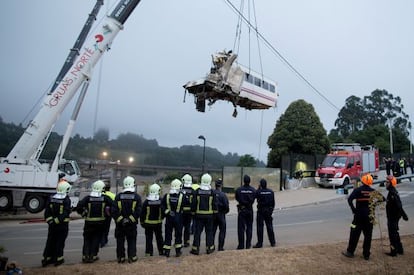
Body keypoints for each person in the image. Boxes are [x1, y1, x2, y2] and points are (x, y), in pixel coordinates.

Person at [342, 173, 378, 260]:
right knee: (368, 235)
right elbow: (382, 199)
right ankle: (366, 254)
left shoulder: (358, 190)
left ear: (362, 181)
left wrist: (353, 210)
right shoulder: (373, 191)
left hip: (358, 216)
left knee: (354, 233)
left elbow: (350, 200)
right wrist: (373, 205)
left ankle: (350, 252)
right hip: (369, 216)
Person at [76, 180, 112, 263]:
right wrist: (108, 213)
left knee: (87, 239)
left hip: (88, 222)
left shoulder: (87, 198)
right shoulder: (105, 198)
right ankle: (93, 256)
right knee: (96, 239)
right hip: (100, 223)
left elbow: (79, 207)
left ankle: (85, 256)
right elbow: (113, 206)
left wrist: (83, 213)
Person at [112, 176, 142, 263]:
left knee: (120, 241)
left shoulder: (118, 197)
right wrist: (129, 219)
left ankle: (120, 257)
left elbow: (114, 211)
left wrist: (121, 220)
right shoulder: (137, 197)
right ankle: (132, 257)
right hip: (131, 224)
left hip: (120, 224)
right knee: (131, 240)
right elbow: (138, 211)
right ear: (133, 184)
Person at [42, 180, 72, 267]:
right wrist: (57, 221)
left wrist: (51, 221)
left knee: (50, 241)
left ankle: (46, 259)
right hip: (62, 226)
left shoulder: (51, 198)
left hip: (52, 226)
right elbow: (65, 213)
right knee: (60, 242)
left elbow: (47, 212)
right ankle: (58, 259)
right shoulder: (66, 199)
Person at [190, 173, 217, 255]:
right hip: (209, 216)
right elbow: (214, 204)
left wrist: (193, 213)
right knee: (209, 232)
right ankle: (209, 248)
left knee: (197, 233)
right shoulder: (212, 192)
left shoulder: (197, 191)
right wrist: (215, 214)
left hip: (199, 216)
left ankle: (195, 249)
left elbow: (193, 203)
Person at [385, 175, 409, 256]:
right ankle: (399, 249)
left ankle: (394, 251)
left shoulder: (392, 193)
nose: (386, 183)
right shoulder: (392, 192)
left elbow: (399, 205)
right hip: (393, 216)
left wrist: (404, 215)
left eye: (387, 182)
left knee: (392, 234)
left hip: (393, 217)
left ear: (391, 183)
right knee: (395, 233)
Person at [161, 179, 184, 257]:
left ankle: (167, 251)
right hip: (179, 218)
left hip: (169, 218)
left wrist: (167, 211)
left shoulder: (166, 196)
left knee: (168, 235)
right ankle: (178, 251)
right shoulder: (182, 196)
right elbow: (187, 205)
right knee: (178, 235)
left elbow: (162, 206)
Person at [140, 183, 164, 257]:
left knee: (148, 239)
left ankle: (148, 253)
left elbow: (142, 213)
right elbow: (163, 211)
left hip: (148, 224)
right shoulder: (161, 201)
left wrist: (142, 222)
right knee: (159, 238)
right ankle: (161, 251)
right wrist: (162, 218)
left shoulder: (146, 202)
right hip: (158, 223)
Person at [235, 174, 256, 249]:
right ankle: (248, 244)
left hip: (242, 210)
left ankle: (241, 245)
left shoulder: (239, 190)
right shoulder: (253, 190)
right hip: (250, 209)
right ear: (250, 181)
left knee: (241, 228)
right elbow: (254, 198)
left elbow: (237, 198)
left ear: (243, 181)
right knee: (249, 227)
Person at [254, 178, 276, 248]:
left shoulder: (259, 192)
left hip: (261, 211)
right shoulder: (271, 192)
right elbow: (273, 203)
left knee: (260, 227)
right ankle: (272, 242)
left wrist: (258, 188)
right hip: (268, 210)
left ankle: (260, 243)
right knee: (269, 226)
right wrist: (271, 211)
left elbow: (254, 195)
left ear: (260, 185)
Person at [213, 178, 229, 251]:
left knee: (212, 231)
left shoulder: (211, 193)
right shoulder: (223, 195)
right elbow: (226, 206)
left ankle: (211, 246)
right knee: (222, 231)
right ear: (221, 185)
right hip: (221, 214)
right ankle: (220, 247)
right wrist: (224, 212)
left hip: (213, 214)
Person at [101, 180, 115, 248]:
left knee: (100, 228)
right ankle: (105, 240)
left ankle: (100, 240)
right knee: (106, 228)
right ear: (109, 188)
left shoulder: (101, 194)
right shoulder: (113, 195)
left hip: (100, 213)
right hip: (108, 214)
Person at [180, 174, 194, 247]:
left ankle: (178, 242)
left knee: (180, 227)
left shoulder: (180, 190)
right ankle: (187, 242)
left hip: (181, 212)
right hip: (189, 213)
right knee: (187, 227)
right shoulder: (193, 190)